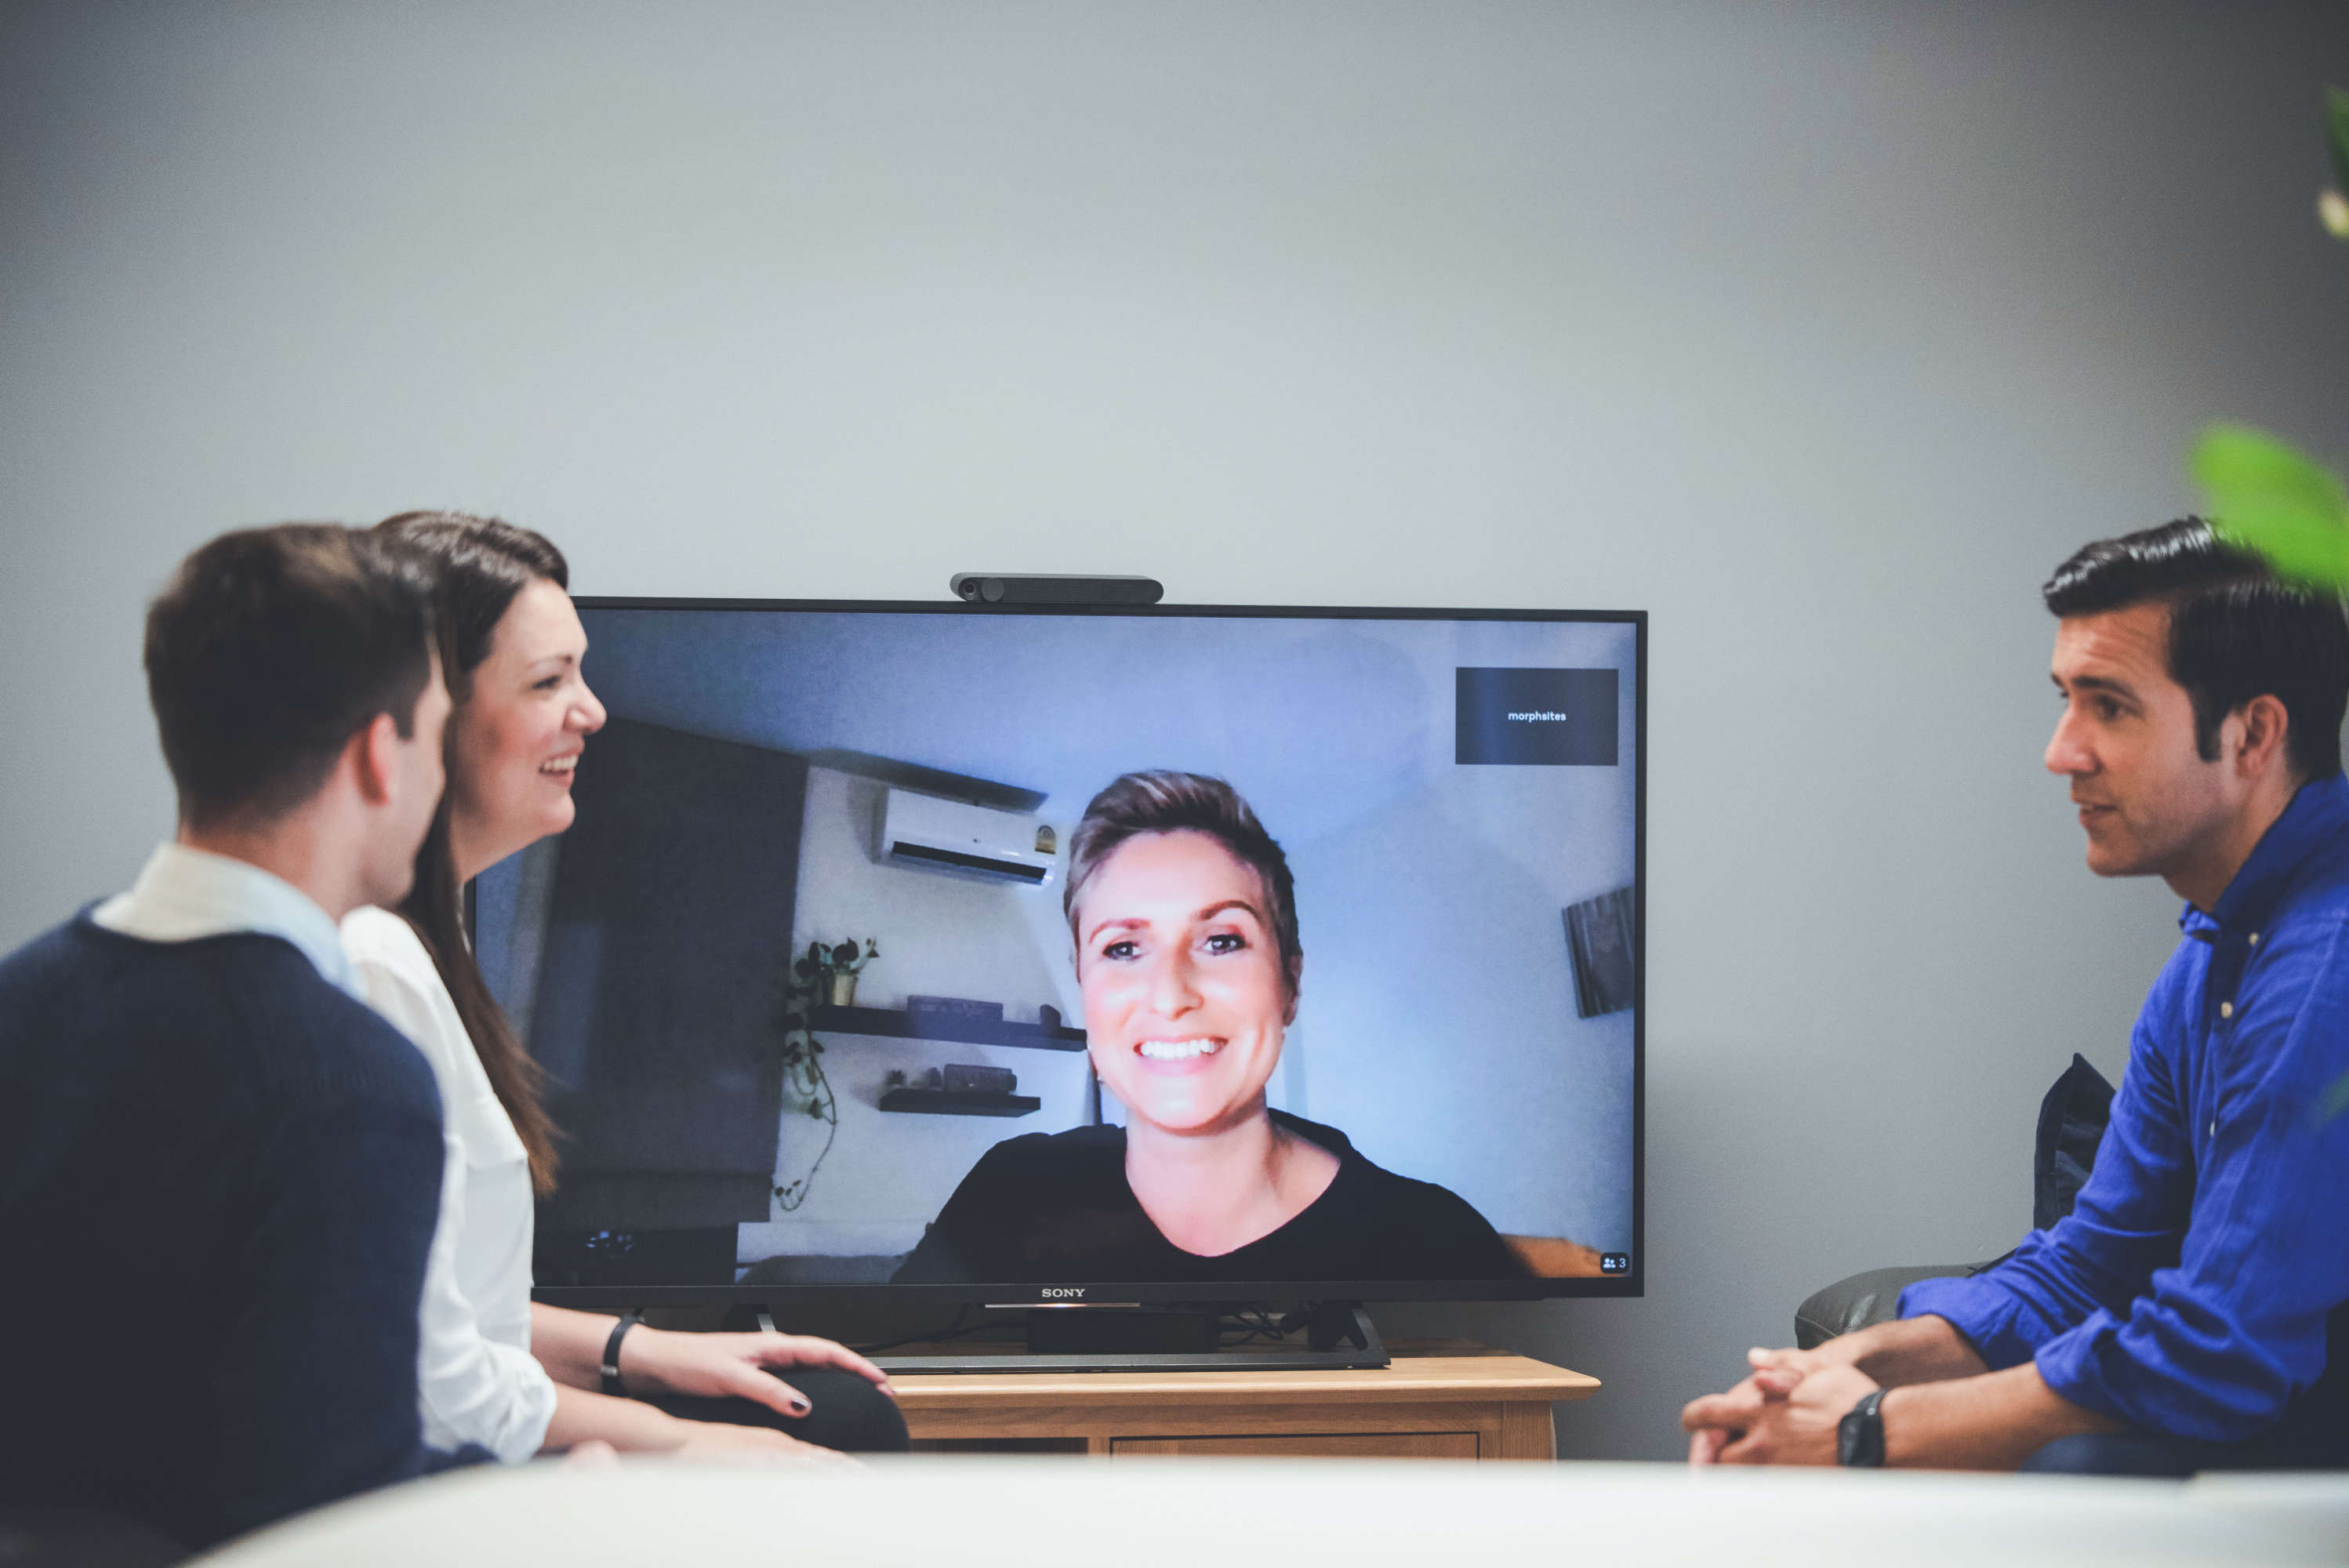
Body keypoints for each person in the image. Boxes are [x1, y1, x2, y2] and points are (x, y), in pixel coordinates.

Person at [1680, 517, 2349, 1475]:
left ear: (2251, 732)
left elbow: (2215, 1354)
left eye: (2108, 707)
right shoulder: (2210, 952)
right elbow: (2087, 1267)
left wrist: (1866, 1429)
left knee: (2050, 1465)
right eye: (2064, 699)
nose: (2059, 750)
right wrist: (1843, 1365)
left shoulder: (2320, 967)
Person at [342, 511, 906, 1461]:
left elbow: (454, 1308)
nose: (592, 709)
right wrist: (669, 1440)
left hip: (481, 1406)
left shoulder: (433, 951)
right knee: (837, 1433)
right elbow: (410, 1362)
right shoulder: (369, 965)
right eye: (548, 679)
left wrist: (640, 1349)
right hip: (439, 1463)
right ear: (423, 715)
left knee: (830, 1401)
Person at [0, 524, 485, 1551]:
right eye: (436, 737)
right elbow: (337, 1521)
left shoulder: (18, 999)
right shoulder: (351, 1088)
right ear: (376, 759)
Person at [896, 769, 1523, 1283]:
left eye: (1222, 940)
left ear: (1290, 984)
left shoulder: (1433, 1243)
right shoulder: (1008, 1194)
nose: (1170, 995)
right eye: (1122, 949)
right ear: (1085, 990)